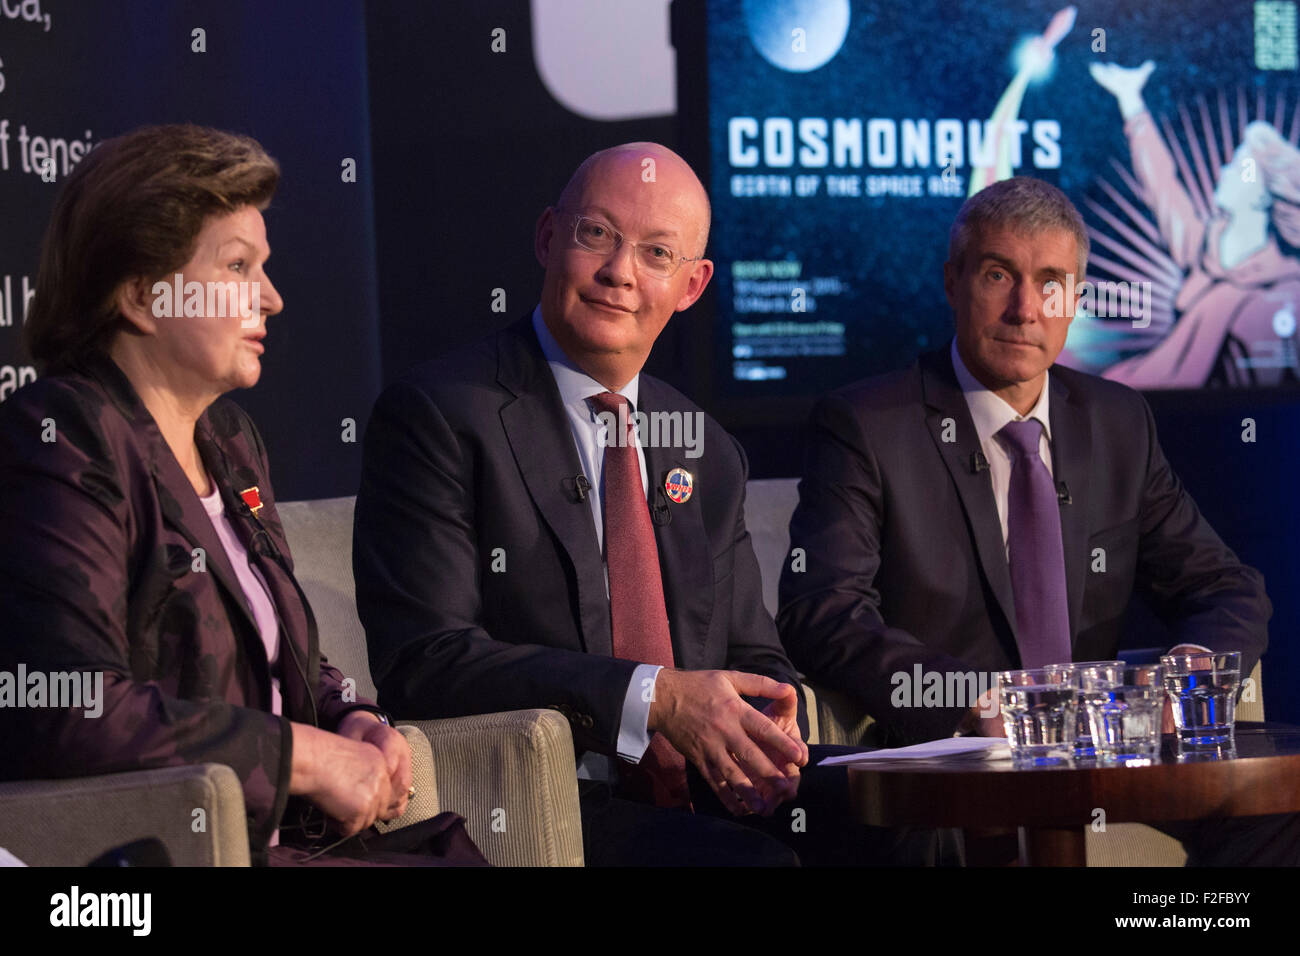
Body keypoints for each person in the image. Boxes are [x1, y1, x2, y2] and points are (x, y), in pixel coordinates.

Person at [353, 142, 945, 865]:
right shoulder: (440, 415)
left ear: (692, 285)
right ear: (548, 237)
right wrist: (654, 698)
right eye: (596, 234)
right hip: (550, 798)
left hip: (699, 785)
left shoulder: (704, 446)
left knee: (914, 813)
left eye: (656, 253)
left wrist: (767, 722)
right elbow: (426, 660)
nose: (619, 273)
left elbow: (750, 649)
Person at [0, 124, 484, 867]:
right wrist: (308, 759)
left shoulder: (231, 441)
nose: (273, 297)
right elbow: (69, 705)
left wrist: (347, 717)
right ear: (141, 294)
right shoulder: (63, 437)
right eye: (237, 266)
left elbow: (278, 648)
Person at [778, 175, 1297, 865]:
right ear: (952, 281)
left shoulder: (1117, 422)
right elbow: (823, 609)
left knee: (1281, 820)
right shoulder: (868, 425)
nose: (1026, 308)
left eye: (1051, 282)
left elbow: (1225, 586)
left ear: (1077, 299)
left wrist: (1190, 668)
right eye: (999, 275)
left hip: (1103, 761)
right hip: (954, 766)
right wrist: (967, 701)